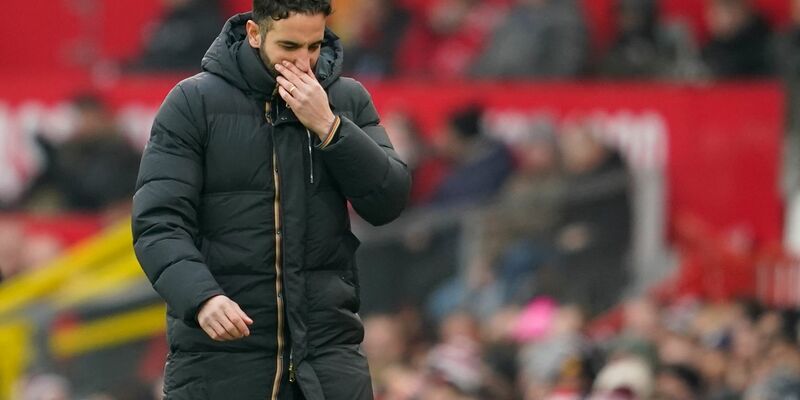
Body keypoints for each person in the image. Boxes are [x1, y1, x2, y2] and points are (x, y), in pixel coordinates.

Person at [131, 0, 411, 399]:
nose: (304, 62)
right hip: (221, 359)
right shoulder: (193, 103)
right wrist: (201, 297)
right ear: (254, 34)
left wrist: (330, 128)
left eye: (314, 47)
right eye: (289, 47)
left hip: (328, 357)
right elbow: (158, 222)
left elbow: (388, 201)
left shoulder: (346, 100)